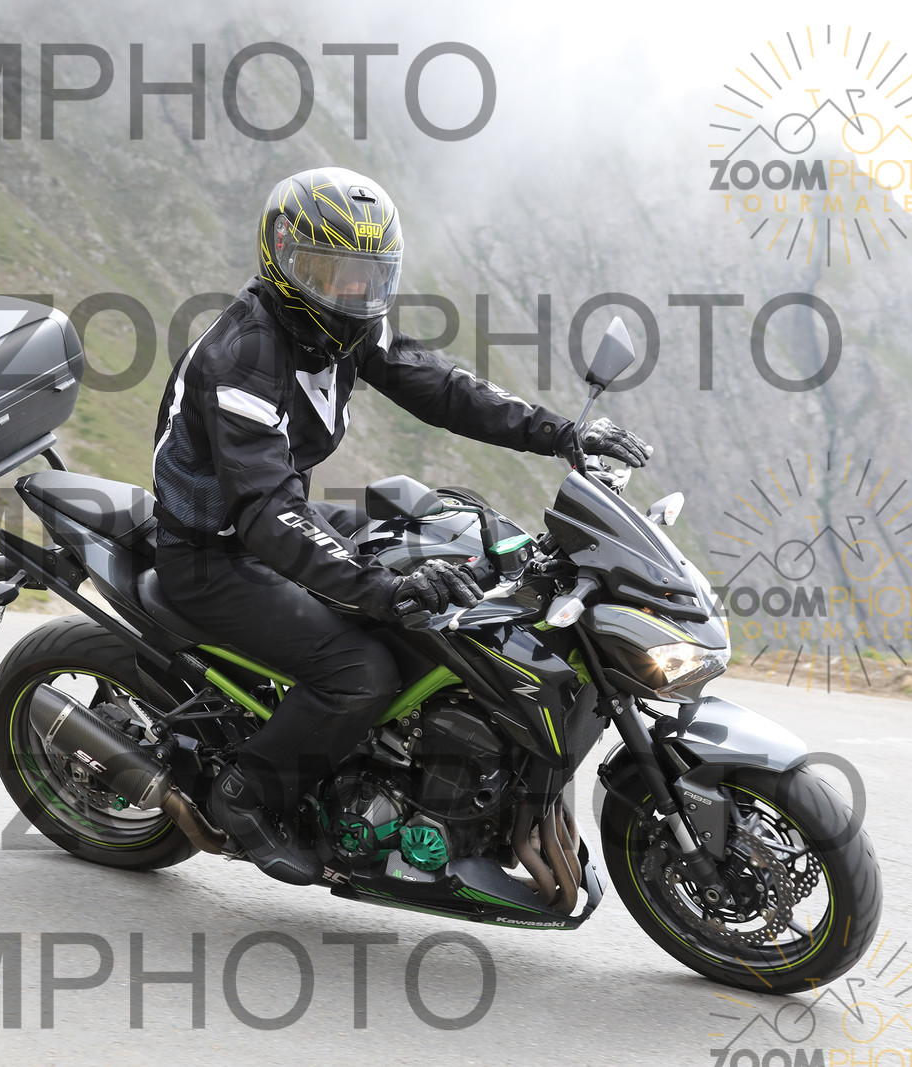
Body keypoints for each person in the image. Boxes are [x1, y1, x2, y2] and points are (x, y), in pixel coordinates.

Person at [150, 167, 650, 885]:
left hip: (278, 515)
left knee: (464, 551)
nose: (350, 291)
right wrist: (381, 589)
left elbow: (443, 389)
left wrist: (562, 435)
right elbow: (265, 512)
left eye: (367, 275)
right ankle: (247, 793)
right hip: (213, 552)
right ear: (283, 257)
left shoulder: (347, 326)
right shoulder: (242, 361)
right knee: (362, 670)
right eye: (329, 271)